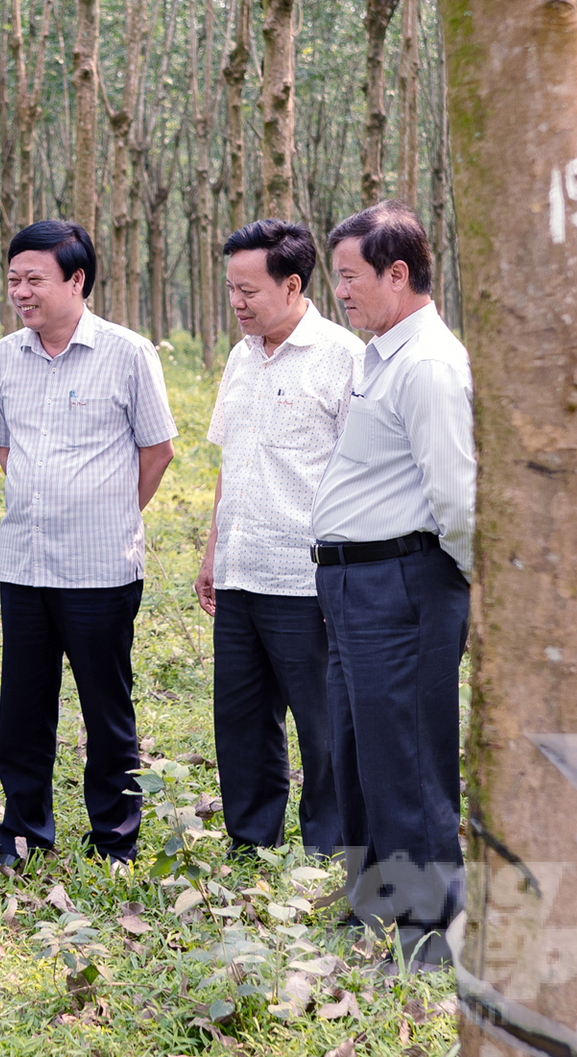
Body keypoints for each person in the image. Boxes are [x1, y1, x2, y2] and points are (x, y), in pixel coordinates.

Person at [0, 220, 177, 872]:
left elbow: (158, 450)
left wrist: (110, 507)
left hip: (101, 568)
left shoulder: (127, 353)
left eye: (34, 278)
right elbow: (2, 446)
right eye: (14, 278)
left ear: (77, 279)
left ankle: (115, 838)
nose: (21, 291)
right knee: (23, 711)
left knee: (106, 709)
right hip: (27, 566)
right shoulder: (4, 357)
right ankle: (24, 834)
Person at [310, 203, 473, 971]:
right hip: (352, 586)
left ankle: (431, 927)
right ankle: (377, 899)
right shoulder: (378, 355)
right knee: (358, 751)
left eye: (350, 276)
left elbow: (457, 497)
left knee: (408, 754)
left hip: (403, 582)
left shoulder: (428, 364)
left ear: (397, 274)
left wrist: (466, 593)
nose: (340, 291)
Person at [194, 220, 360, 859]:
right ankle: (251, 840)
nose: (237, 302)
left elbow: (359, 472)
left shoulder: (342, 358)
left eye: (249, 290)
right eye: (231, 288)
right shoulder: (240, 357)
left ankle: (328, 845)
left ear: (293, 285)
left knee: (321, 723)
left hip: (304, 577)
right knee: (240, 720)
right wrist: (213, 552)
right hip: (239, 574)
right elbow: (231, 462)